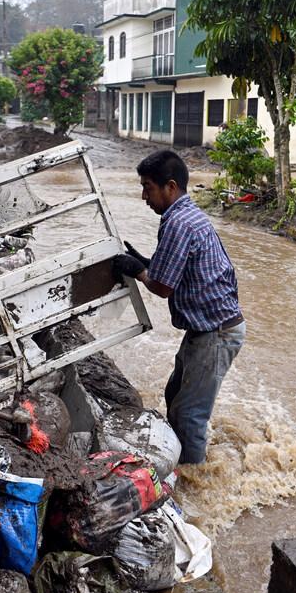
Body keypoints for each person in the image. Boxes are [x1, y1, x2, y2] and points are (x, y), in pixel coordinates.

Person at [113, 150, 245, 465]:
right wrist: (146, 262)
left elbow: (161, 287)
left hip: (216, 332)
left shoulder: (177, 223)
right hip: (208, 328)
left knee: (189, 415)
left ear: (170, 187)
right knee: (175, 396)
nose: (144, 196)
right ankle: (184, 457)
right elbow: (175, 270)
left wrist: (138, 270)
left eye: (148, 187)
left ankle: (195, 478)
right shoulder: (186, 216)